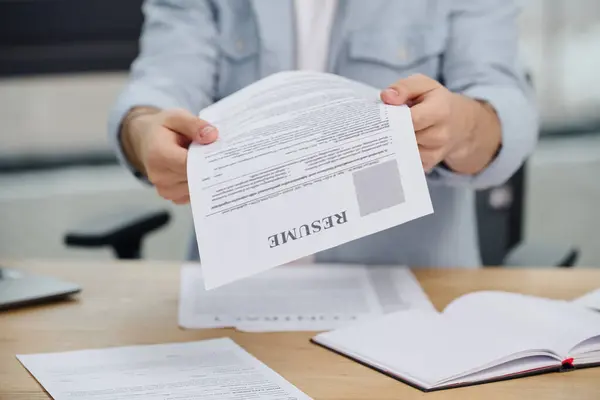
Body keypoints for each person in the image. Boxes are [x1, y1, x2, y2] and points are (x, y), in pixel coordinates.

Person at [109, 0, 538, 267]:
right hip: (234, 295)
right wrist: (144, 131)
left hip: (409, 293)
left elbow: (503, 100)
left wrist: (461, 126)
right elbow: (160, 84)